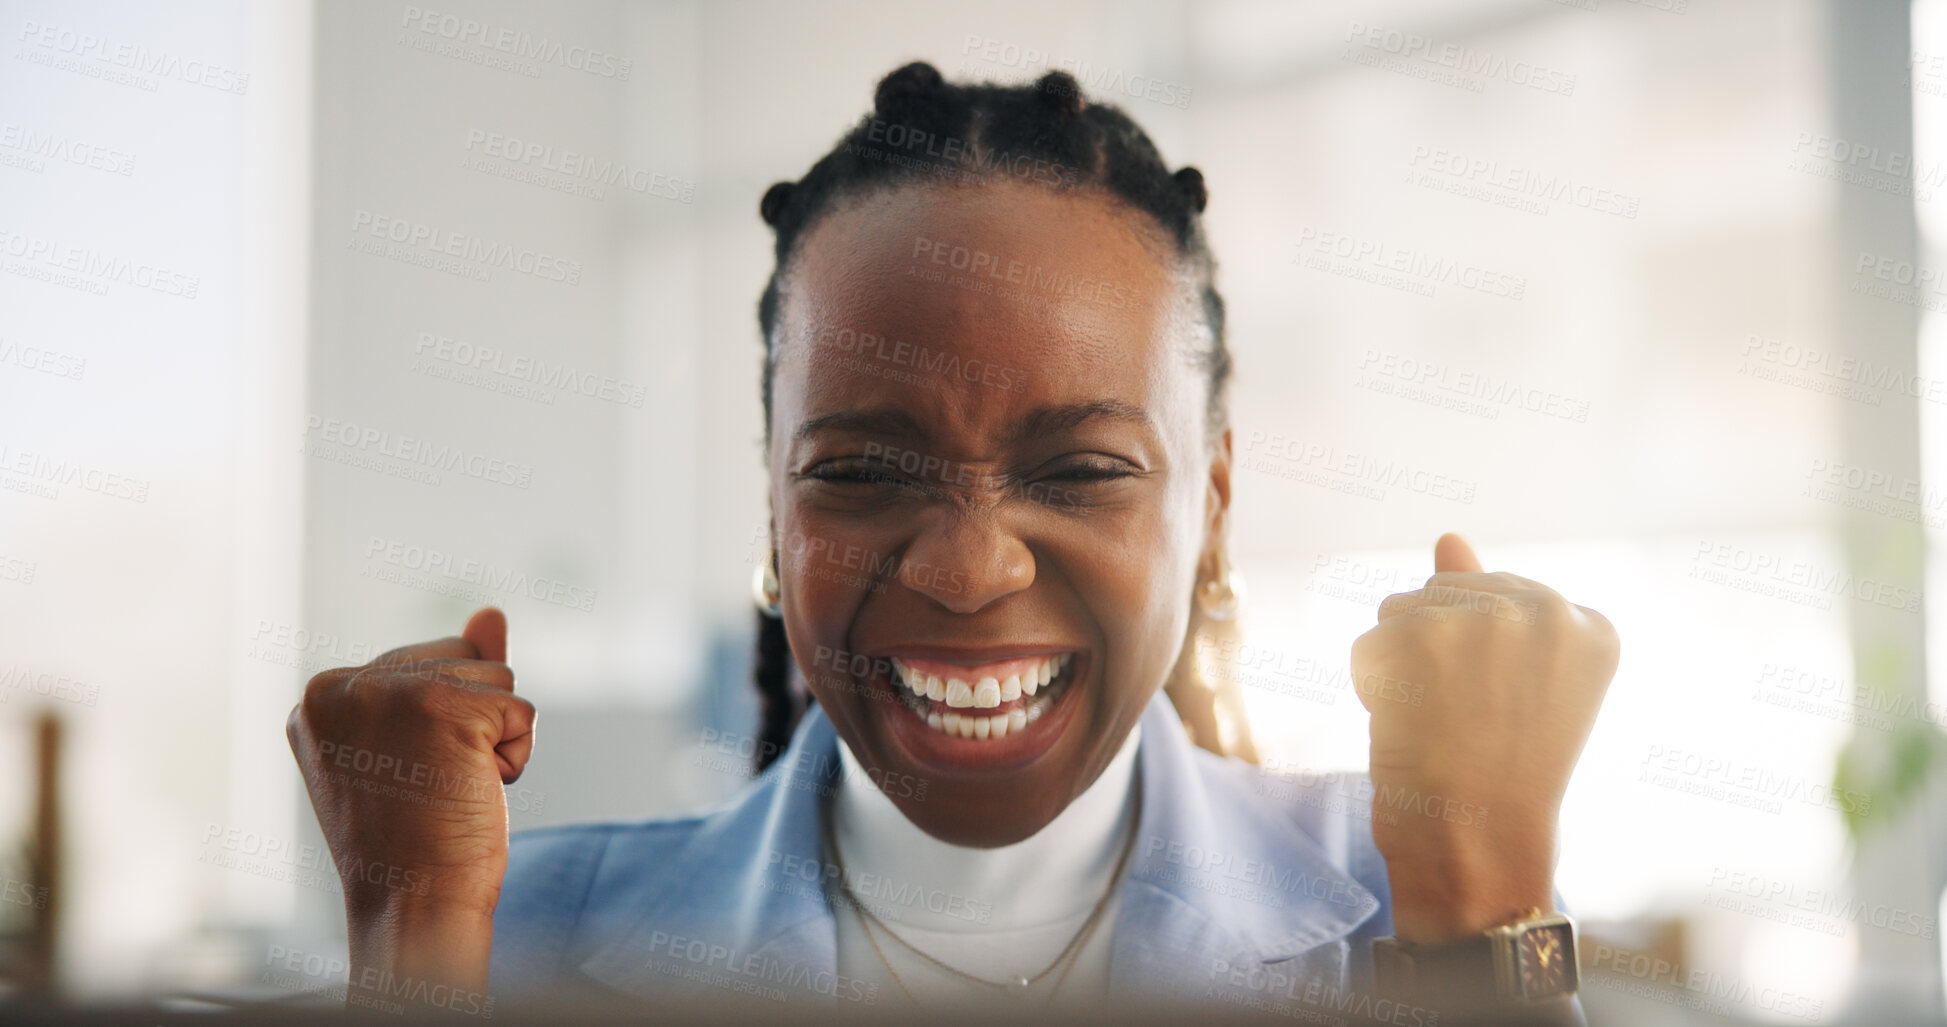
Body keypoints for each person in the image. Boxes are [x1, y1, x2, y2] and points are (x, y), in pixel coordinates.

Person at [286, 62, 1619, 1024]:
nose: (968, 568)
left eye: (1083, 468)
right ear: (774, 510)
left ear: (1210, 511)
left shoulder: (1416, 883)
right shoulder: (505, 925)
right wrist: (415, 950)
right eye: (860, 471)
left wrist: (1478, 912)